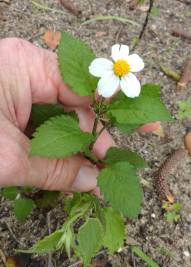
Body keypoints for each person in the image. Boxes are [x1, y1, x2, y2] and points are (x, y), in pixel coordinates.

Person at [0, 38, 159, 193]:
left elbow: (131, 93)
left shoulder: (128, 81)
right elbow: (95, 78)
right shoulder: (107, 73)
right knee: (81, 126)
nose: (123, 65)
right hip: (87, 115)